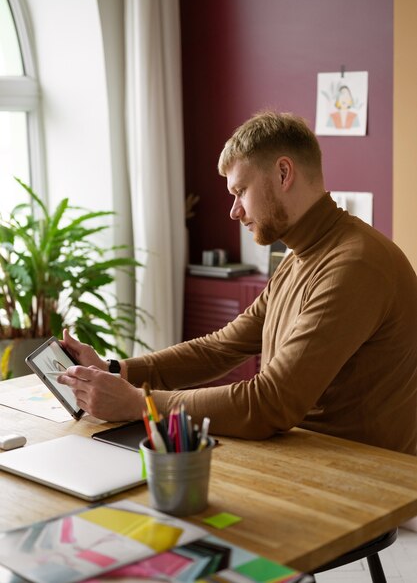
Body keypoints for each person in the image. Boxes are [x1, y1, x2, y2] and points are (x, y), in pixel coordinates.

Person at [58, 110, 417, 455]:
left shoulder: (354, 265)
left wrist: (139, 403)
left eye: (240, 191)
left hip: (361, 483)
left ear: (282, 173)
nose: (234, 211)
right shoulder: (299, 258)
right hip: (302, 458)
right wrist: (115, 371)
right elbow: (220, 348)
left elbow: (271, 403)